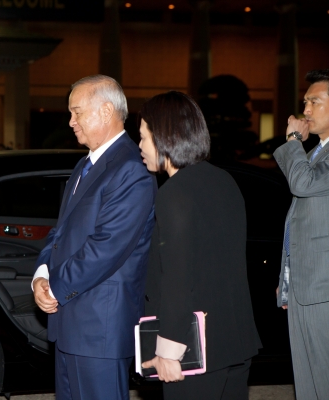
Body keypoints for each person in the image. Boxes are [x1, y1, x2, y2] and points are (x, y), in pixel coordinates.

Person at [32, 75, 157, 400]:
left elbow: (107, 248)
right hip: (71, 324)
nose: (70, 122)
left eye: (77, 112)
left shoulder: (130, 168)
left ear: (105, 111)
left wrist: (56, 288)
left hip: (99, 328)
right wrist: (41, 275)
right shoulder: (84, 165)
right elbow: (60, 232)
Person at [139, 91, 261, 399]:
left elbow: (179, 278)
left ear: (165, 137)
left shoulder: (174, 193)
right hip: (235, 341)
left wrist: (168, 350)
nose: (139, 145)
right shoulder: (224, 181)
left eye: (143, 137)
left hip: (196, 350)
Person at [274, 69, 329, 399]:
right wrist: (287, 279)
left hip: (323, 290)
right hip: (306, 288)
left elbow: (302, 184)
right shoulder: (318, 152)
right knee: (308, 382)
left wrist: (293, 140)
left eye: (314, 102)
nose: (305, 110)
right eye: (305, 101)